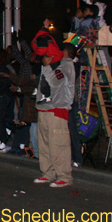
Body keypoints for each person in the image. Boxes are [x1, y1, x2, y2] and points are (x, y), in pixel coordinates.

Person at [32, 37, 76, 188]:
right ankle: (48, 172)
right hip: (45, 108)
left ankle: (64, 176)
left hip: (57, 110)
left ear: (65, 52)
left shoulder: (66, 65)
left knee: (58, 145)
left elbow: (56, 82)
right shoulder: (55, 64)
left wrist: (47, 66)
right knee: (45, 144)